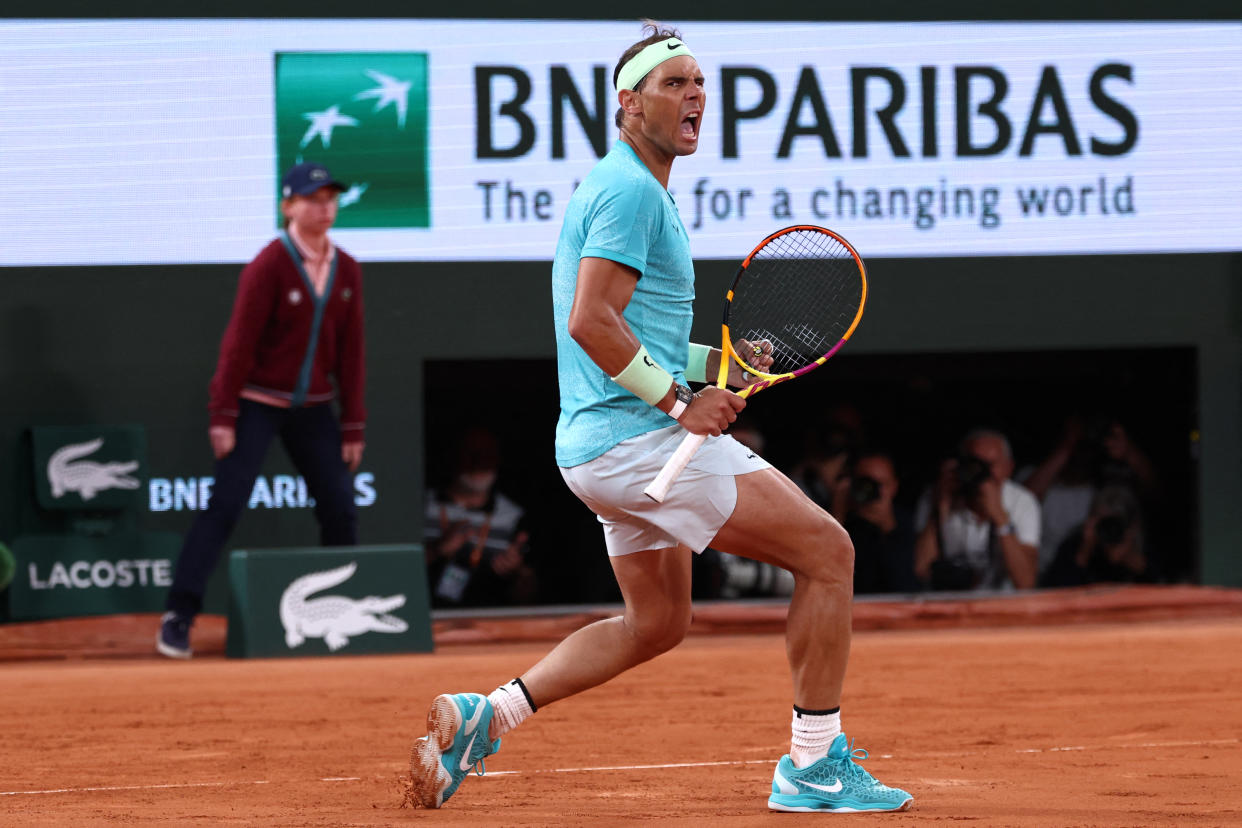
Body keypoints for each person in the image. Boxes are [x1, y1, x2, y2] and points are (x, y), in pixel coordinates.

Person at [404, 23, 911, 815]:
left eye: (700, 83)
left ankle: (486, 716)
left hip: (595, 453)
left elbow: (646, 334)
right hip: (637, 440)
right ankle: (813, 766)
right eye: (674, 83)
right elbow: (591, 321)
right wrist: (682, 403)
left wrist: (719, 367)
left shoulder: (637, 188)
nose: (695, 96)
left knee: (658, 621)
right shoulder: (630, 190)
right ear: (628, 103)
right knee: (828, 553)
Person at [156, 161, 366, 658]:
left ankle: (344, 613)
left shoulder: (348, 269)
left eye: (331, 198)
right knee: (225, 505)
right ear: (288, 206)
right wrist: (222, 414)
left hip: (316, 408)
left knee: (339, 505)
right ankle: (178, 616)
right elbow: (237, 345)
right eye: (313, 198)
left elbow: (352, 352)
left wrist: (353, 424)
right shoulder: (268, 264)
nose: (324, 206)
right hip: (256, 403)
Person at [913, 428, 1040, 591]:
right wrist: (940, 506)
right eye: (975, 464)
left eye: (990, 465)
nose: (982, 472)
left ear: (1009, 468)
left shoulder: (1022, 502)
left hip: (1000, 606)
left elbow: (1025, 583)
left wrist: (1001, 517)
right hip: (948, 602)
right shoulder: (937, 494)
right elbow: (921, 570)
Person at [424, 426, 537, 608]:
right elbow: (393, 573)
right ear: (453, 456)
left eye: (487, 455)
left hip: (489, 623)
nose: (479, 463)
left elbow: (531, 598)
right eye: (471, 454)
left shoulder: (515, 517)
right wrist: (437, 549)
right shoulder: (420, 506)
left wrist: (518, 573)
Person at [840, 452, 919, 595]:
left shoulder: (907, 523)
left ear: (894, 487)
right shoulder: (840, 519)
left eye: (879, 484)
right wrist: (836, 516)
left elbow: (906, 587)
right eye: (865, 483)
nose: (871, 490)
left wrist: (888, 529)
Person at [1041, 484, 1150, 587]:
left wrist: (1133, 561)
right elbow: (1055, 591)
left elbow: (1161, 587)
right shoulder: (1075, 544)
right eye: (1104, 523)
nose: (1109, 529)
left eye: (1115, 524)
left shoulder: (1145, 548)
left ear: (1132, 526)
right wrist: (1083, 553)